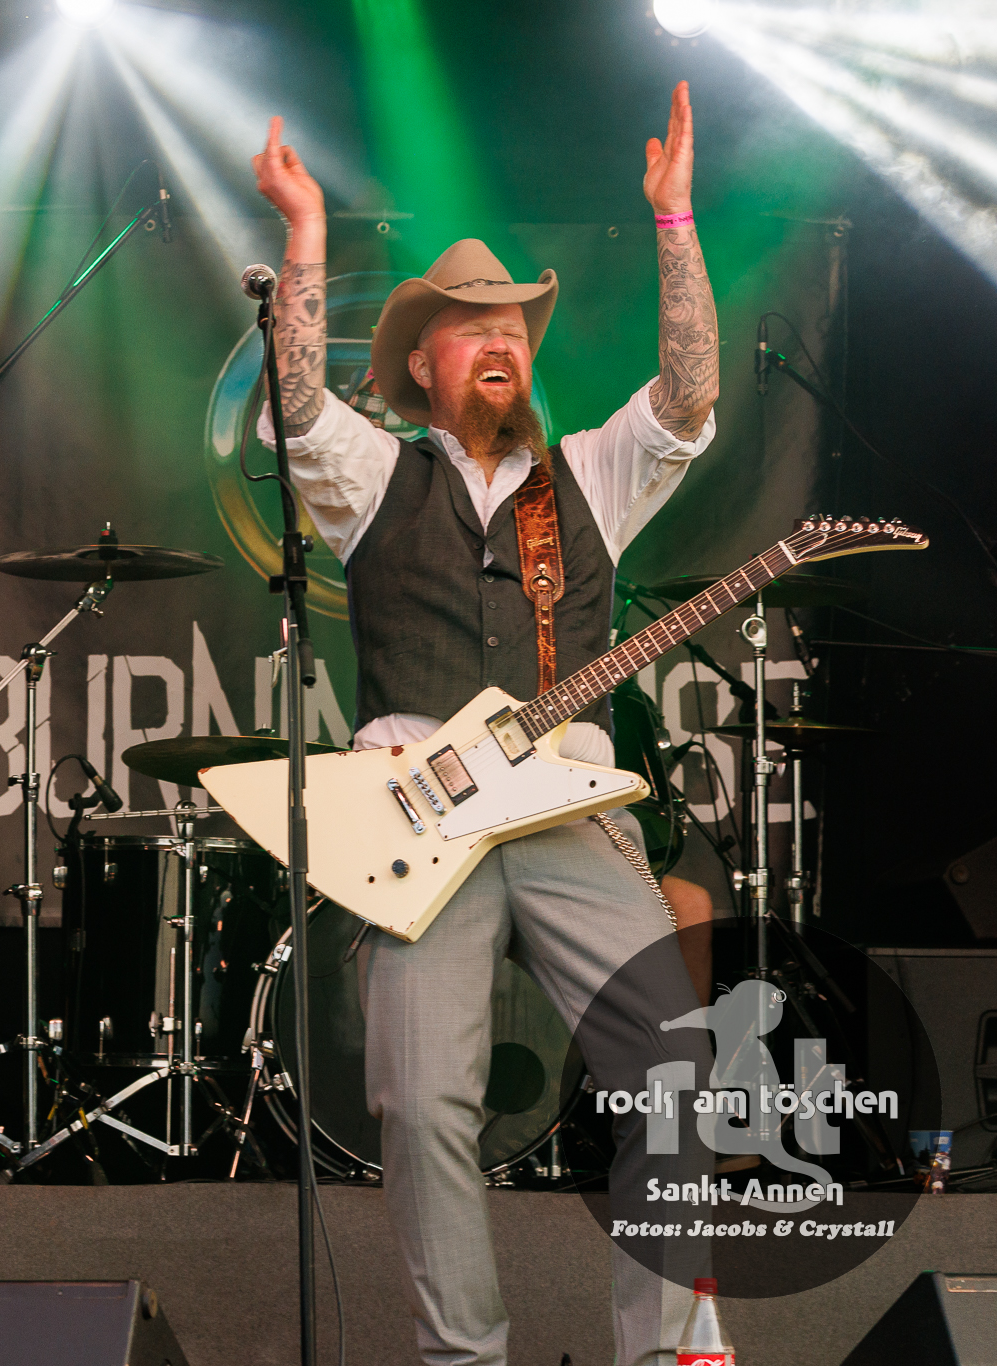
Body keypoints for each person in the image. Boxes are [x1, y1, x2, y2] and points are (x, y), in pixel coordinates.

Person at [251, 84, 718, 1365]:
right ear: (422, 365)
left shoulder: (589, 475)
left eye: (511, 324)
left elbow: (687, 392)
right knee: (419, 1107)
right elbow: (296, 405)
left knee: (674, 1079)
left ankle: (667, 1352)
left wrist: (673, 218)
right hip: (419, 828)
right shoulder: (374, 476)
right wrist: (304, 233)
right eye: (470, 328)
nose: (499, 338)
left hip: (567, 810)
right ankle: (463, 1357)